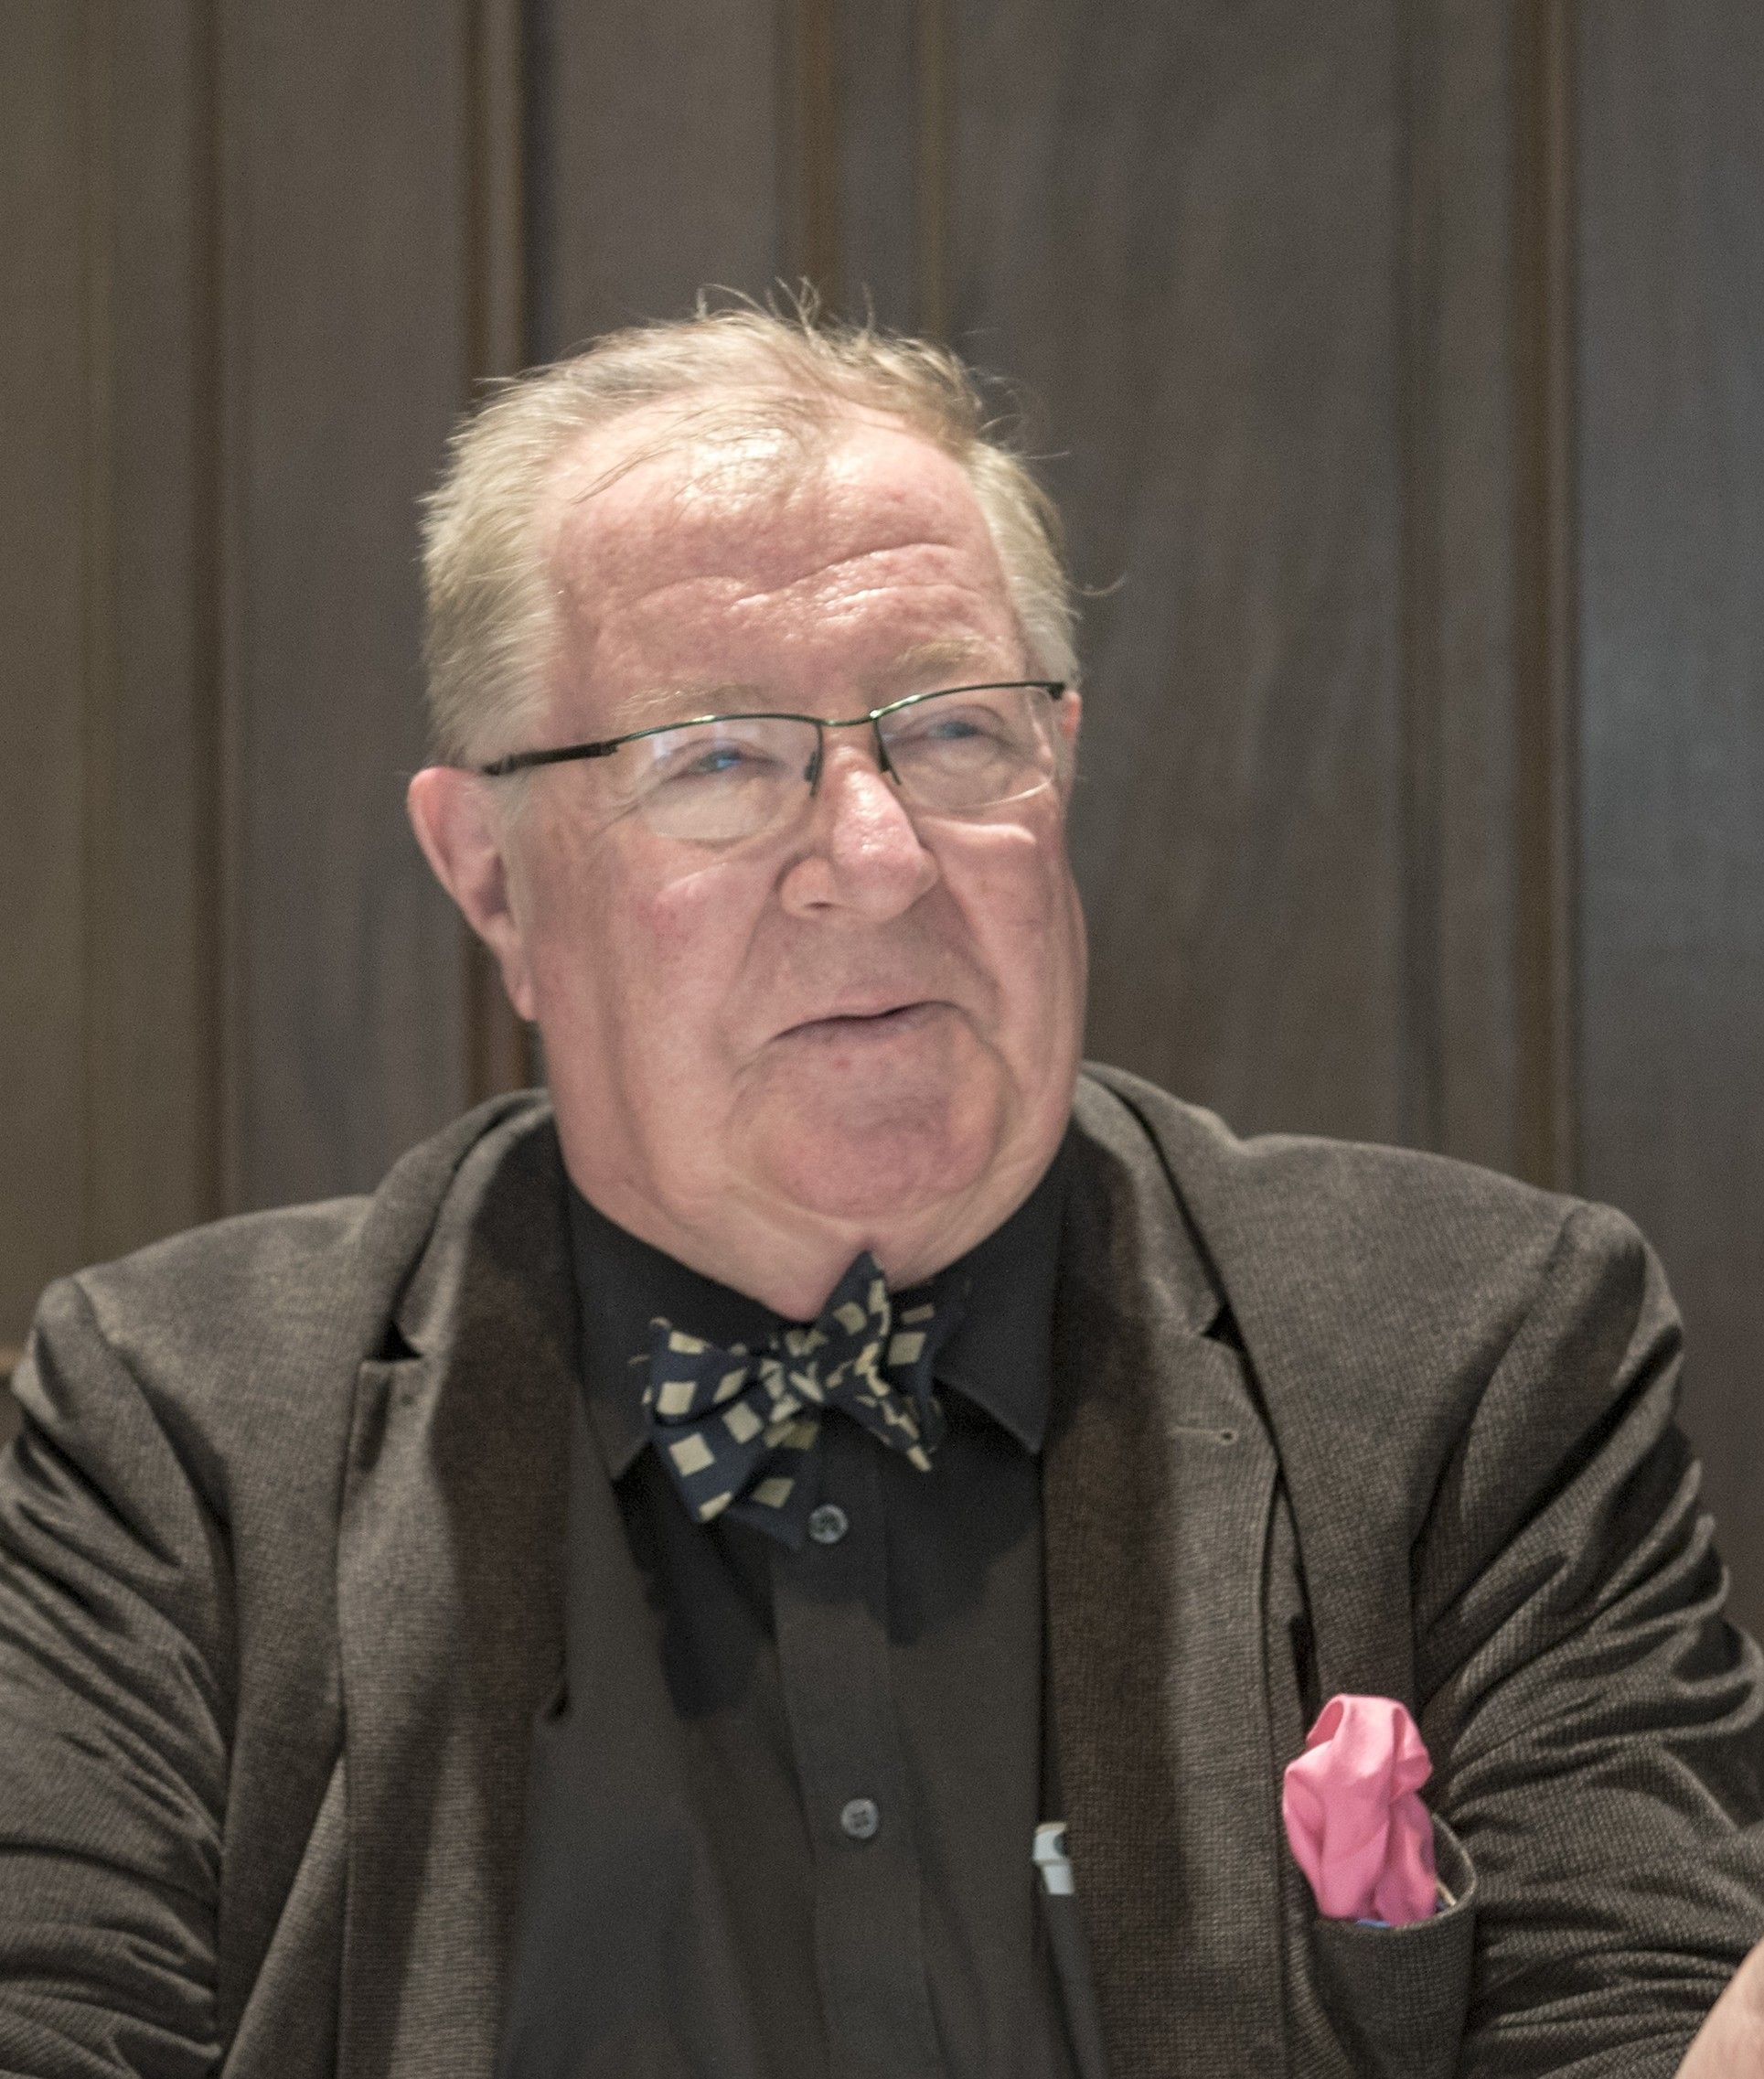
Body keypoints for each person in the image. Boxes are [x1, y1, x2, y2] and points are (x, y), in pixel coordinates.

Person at [2, 306, 1761, 2079]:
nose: (873, 855)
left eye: (955, 733)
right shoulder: (177, 1433)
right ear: (492, 879)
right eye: (716, 758)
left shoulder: (1473, 1355)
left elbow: (1629, 2022)